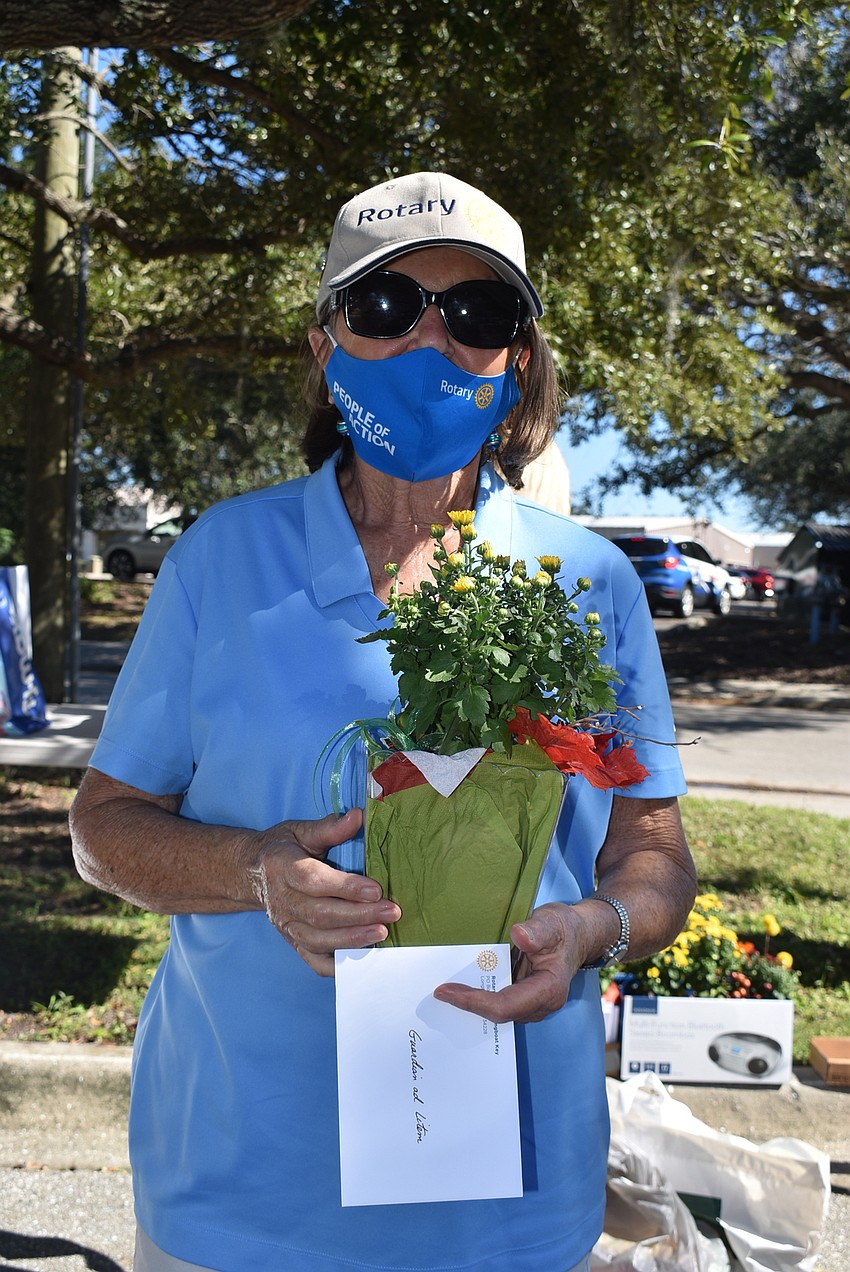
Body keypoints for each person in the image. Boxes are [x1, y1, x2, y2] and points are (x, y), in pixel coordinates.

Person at [70, 171, 697, 1272]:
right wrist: (255, 872)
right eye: (383, 307)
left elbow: (649, 850)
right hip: (243, 1201)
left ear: (519, 357)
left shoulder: (590, 582)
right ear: (324, 345)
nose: (429, 343)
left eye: (475, 314)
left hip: (510, 1208)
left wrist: (593, 930)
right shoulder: (223, 556)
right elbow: (104, 826)